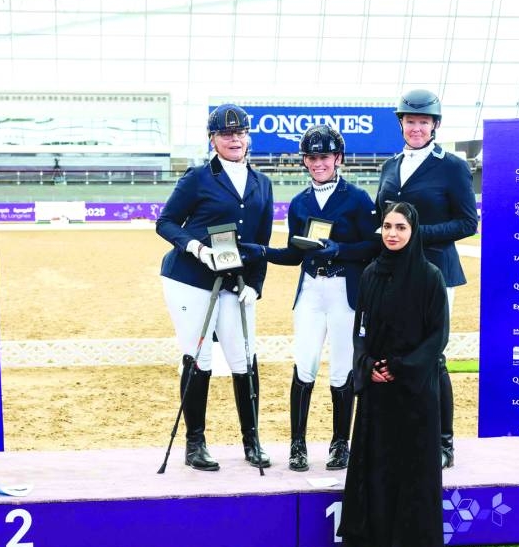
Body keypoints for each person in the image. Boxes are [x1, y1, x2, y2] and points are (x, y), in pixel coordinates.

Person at [239, 124, 379, 472]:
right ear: (304, 161)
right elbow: (294, 253)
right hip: (311, 291)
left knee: (342, 369)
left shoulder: (358, 198)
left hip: (346, 291)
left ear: (338, 158)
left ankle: (340, 444)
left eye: (325, 156)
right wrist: (261, 251)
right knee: (305, 363)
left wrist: (341, 250)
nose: (318, 163)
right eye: (312, 157)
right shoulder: (300, 203)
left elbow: (373, 246)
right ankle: (297, 444)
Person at [156, 103, 274, 471]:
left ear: (247, 136)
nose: (233, 139)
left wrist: (255, 285)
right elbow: (166, 222)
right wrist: (196, 247)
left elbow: (262, 242)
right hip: (190, 279)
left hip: (235, 283)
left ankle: (251, 441)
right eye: (225, 134)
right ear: (213, 139)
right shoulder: (197, 178)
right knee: (200, 357)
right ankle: (195, 444)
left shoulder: (262, 183)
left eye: (239, 133)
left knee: (244, 358)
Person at [338, 201, 448, 547]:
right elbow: (361, 329)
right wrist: (367, 366)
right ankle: (376, 545)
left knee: (414, 468)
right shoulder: (370, 273)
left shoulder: (430, 276)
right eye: (387, 226)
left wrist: (403, 368)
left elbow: (438, 336)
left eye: (400, 227)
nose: (392, 234)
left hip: (414, 390)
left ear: (413, 231)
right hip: (379, 389)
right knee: (378, 466)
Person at [375, 88, 478, 469]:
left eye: (423, 122)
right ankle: (405, 435)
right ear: (401, 123)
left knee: (432, 357)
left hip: (436, 272)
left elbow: (468, 222)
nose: (416, 128)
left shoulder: (451, 166)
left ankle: (443, 441)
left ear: (434, 125)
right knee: (399, 352)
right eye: (410, 121)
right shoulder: (389, 166)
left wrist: (418, 234)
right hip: (393, 274)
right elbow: (381, 219)